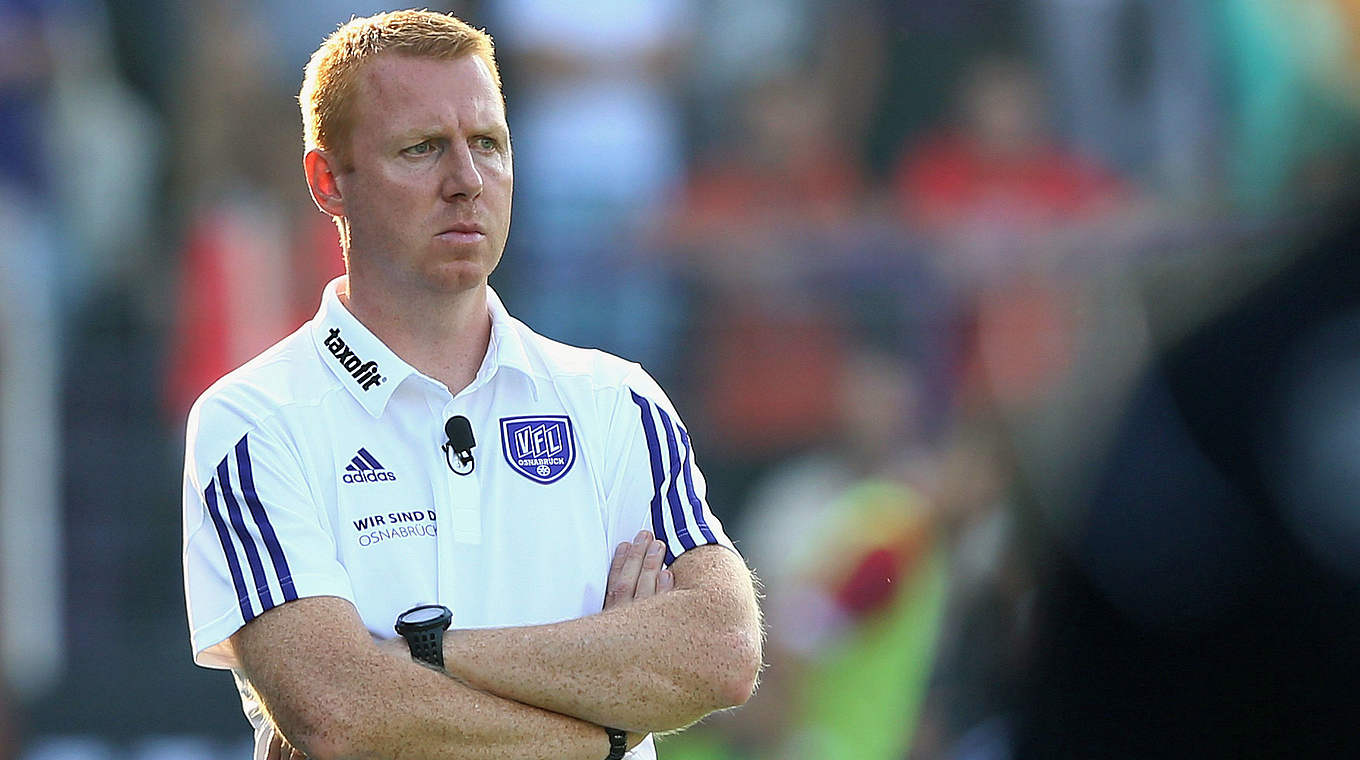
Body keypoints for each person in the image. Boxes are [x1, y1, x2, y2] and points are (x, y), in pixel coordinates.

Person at [180, 10, 762, 760]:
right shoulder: (255, 419)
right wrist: (609, 730)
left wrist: (419, 657)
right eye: (421, 150)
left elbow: (721, 651)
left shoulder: (618, 401)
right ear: (328, 183)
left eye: (488, 144)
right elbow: (340, 713)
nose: (466, 180)